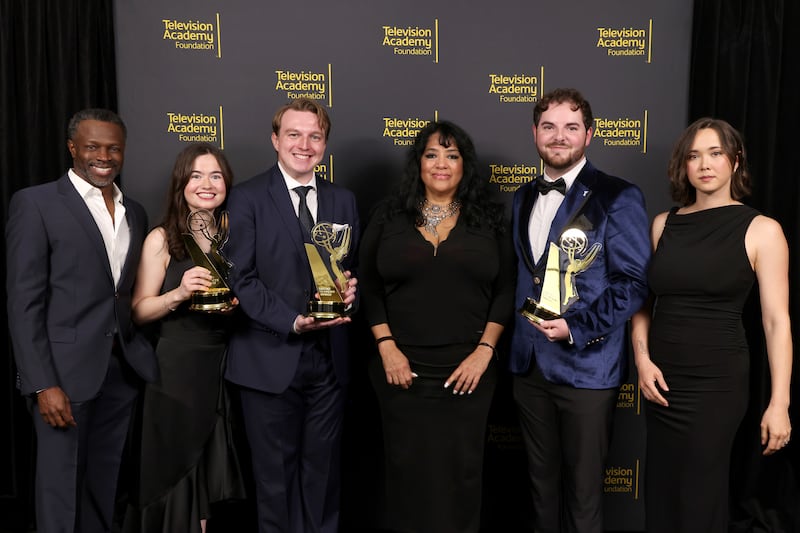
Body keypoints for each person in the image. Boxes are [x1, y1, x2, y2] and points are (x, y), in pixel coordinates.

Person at [631, 118, 792, 532]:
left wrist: (779, 403)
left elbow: (776, 322)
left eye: (715, 153)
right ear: (683, 166)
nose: (704, 164)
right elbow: (643, 305)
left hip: (717, 386)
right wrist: (642, 360)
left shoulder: (762, 231)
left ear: (735, 161)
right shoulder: (663, 224)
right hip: (662, 381)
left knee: (699, 496)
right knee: (662, 492)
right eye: (694, 156)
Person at [5, 108, 158, 533]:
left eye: (113, 148)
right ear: (73, 148)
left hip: (121, 371)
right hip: (62, 376)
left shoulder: (135, 212)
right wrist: (41, 383)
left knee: (104, 488)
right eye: (92, 147)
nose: (104, 156)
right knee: (60, 491)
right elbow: (24, 303)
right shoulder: (36, 204)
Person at [359, 121, 515, 533]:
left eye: (452, 155)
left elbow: (506, 290)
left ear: (465, 165)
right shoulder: (388, 216)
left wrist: (484, 352)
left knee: (462, 476)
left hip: (469, 372)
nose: (441, 164)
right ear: (418, 163)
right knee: (406, 475)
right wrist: (386, 346)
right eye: (431, 154)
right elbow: (368, 286)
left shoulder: (490, 220)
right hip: (400, 371)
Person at [509, 88, 650, 533]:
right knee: (540, 492)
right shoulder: (522, 197)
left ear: (588, 135)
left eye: (571, 127)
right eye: (549, 126)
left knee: (584, 498)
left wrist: (574, 327)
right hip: (529, 367)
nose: (559, 136)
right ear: (535, 132)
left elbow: (633, 284)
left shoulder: (617, 196)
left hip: (587, 366)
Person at [224, 97, 359, 533]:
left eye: (314, 136)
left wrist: (350, 293)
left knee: (323, 476)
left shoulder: (344, 200)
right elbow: (241, 279)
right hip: (268, 356)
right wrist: (293, 321)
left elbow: (347, 272)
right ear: (275, 140)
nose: (304, 145)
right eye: (294, 134)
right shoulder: (246, 198)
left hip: (329, 361)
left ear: (325, 144)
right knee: (274, 481)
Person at [123, 142, 246, 533]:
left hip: (222, 367)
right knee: (176, 468)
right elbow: (139, 310)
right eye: (196, 175)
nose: (207, 184)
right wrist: (178, 294)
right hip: (175, 371)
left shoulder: (235, 235)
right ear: (181, 183)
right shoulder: (162, 239)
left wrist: (234, 305)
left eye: (215, 176)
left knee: (209, 472)